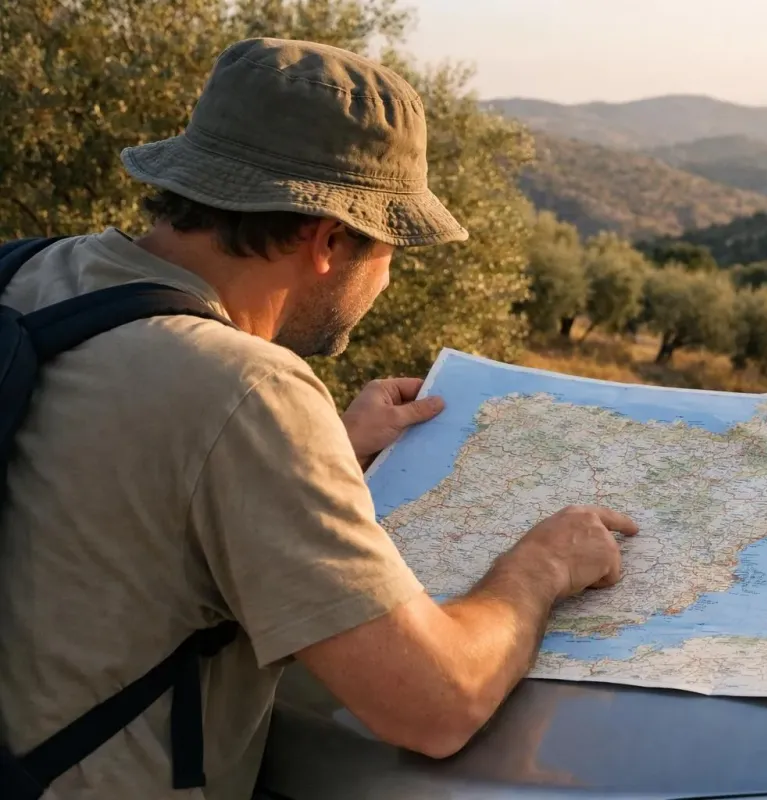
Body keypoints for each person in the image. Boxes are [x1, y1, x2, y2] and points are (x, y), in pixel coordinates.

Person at [0, 37, 638, 799]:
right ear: (330, 239)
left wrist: (324, 446)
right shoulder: (245, 390)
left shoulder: (28, 272)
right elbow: (435, 705)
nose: (388, 279)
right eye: (393, 247)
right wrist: (544, 566)